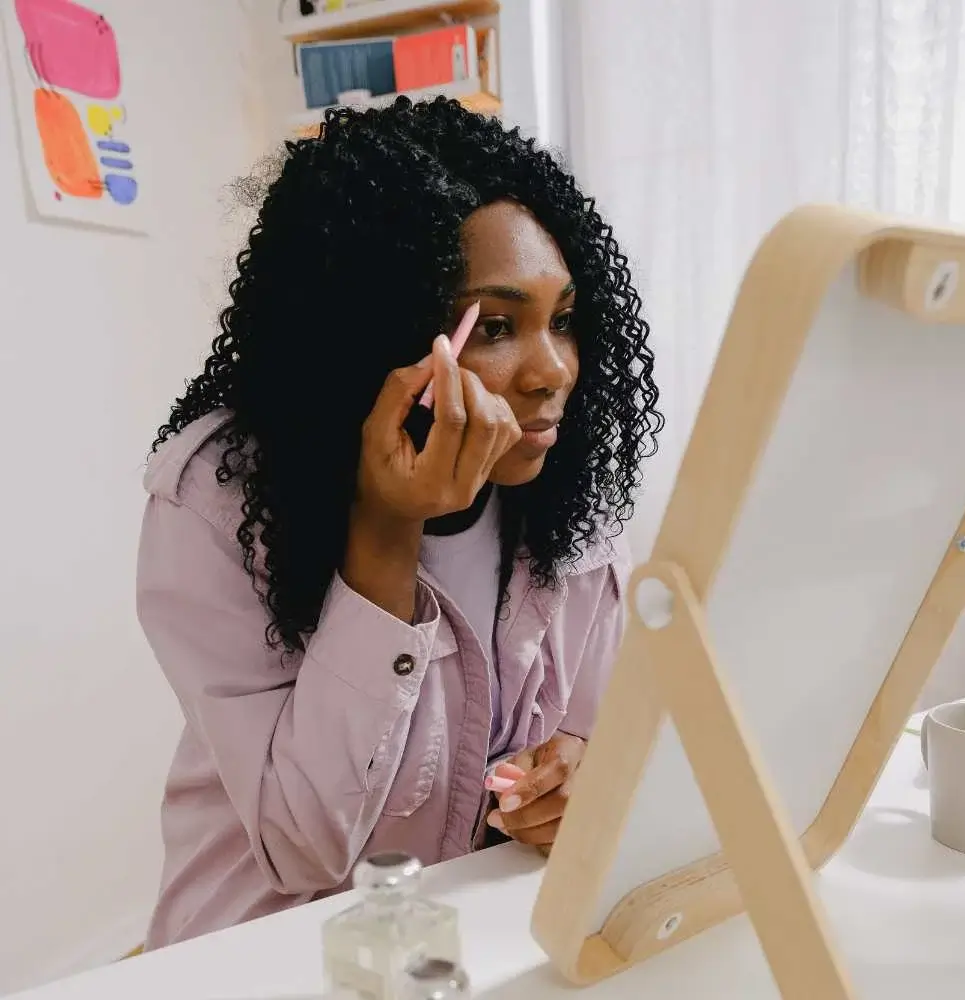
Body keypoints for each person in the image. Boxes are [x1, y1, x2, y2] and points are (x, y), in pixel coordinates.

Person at [138, 96, 663, 949]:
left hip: (470, 933)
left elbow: (595, 730)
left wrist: (576, 774)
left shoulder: (571, 502)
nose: (552, 370)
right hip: (264, 949)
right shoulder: (218, 497)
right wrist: (386, 531)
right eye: (496, 327)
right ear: (376, 334)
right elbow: (303, 845)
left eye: (563, 320)